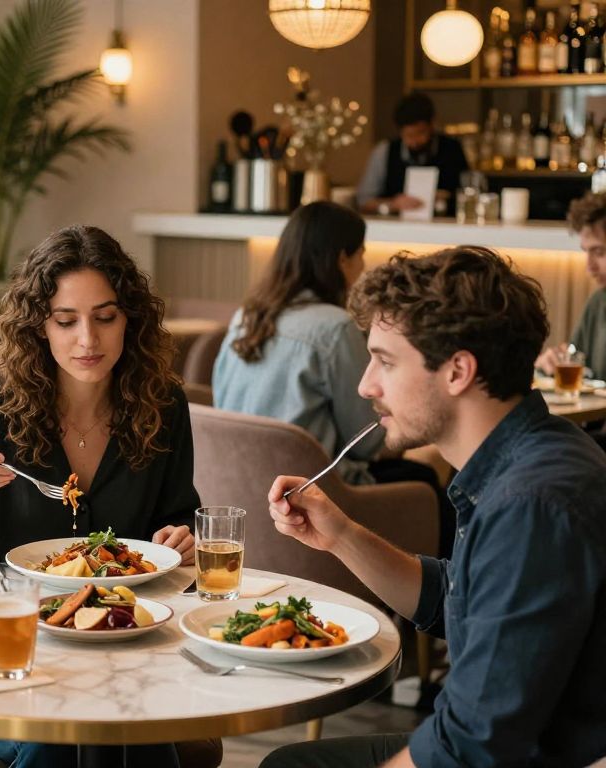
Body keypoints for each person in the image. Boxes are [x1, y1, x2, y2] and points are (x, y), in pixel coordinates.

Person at [260, 246, 606, 768]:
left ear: (458, 371)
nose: (365, 385)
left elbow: (472, 747)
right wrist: (341, 536)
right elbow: (455, 600)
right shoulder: (530, 456)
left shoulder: (530, 505)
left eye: (385, 361)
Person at [0, 225, 215, 768]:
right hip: (19, 649)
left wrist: (182, 538)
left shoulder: (162, 402)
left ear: (131, 318)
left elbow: (178, 518)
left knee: (127, 725)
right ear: (39, 324)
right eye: (66, 320)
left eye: (105, 317)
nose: (88, 339)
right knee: (67, 734)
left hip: (129, 639)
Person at [212, 202, 453, 554]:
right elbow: (369, 441)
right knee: (429, 478)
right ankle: (442, 602)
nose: (362, 267)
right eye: (361, 255)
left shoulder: (245, 317)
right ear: (342, 259)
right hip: (316, 495)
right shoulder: (334, 327)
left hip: (242, 495)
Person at [356, 92, 469, 217]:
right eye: (409, 135)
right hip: (395, 229)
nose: (415, 141)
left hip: (446, 227)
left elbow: (468, 192)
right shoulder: (385, 151)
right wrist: (392, 204)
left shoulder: (452, 149)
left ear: (432, 125)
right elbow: (364, 201)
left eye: (420, 133)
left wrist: (446, 196)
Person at [536, 191, 606, 378]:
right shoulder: (599, 303)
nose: (589, 268)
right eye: (586, 252)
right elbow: (580, 371)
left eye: (599, 252)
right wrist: (548, 366)